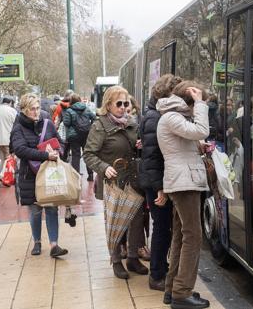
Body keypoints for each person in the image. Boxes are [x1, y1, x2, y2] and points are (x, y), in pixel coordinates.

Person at [83, 86, 148, 279]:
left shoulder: (132, 123)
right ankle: (116, 260)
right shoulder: (100, 125)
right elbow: (88, 154)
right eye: (118, 104)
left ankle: (133, 257)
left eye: (125, 103)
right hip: (113, 182)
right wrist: (103, 168)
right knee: (115, 222)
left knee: (136, 220)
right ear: (109, 105)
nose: (123, 108)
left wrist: (140, 146)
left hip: (133, 180)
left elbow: (136, 148)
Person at [157, 81, 210, 309]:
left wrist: (198, 147)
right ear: (189, 101)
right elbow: (201, 130)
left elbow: (189, 140)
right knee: (193, 236)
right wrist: (200, 104)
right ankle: (182, 293)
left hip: (183, 181)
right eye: (195, 103)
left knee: (181, 235)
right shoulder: (171, 117)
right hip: (184, 183)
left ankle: (173, 289)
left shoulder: (173, 117)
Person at [10, 93, 68, 258]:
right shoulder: (18, 128)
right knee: (35, 211)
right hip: (30, 176)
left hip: (50, 174)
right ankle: (37, 241)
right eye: (32, 109)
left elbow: (60, 142)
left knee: (51, 207)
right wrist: (44, 155)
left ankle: (54, 245)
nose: (36, 112)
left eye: (37, 108)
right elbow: (20, 150)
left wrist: (58, 151)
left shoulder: (47, 124)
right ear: (24, 110)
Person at [139, 74, 182, 291]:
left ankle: (161, 268)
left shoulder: (154, 114)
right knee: (162, 228)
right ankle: (157, 275)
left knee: (163, 228)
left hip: (156, 180)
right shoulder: (156, 117)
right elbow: (153, 156)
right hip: (157, 183)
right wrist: (160, 188)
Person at [63, 93, 95, 182]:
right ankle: (91, 175)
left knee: (75, 155)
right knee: (87, 154)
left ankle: (76, 176)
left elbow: (66, 123)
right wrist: (89, 126)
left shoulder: (69, 111)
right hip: (86, 134)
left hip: (74, 136)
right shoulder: (86, 109)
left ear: (71, 101)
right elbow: (94, 118)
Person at [0, 96, 18, 175]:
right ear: (10, 102)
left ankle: (3, 174)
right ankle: (5, 175)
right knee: (9, 158)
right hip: (10, 139)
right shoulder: (12, 110)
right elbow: (17, 124)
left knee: (2, 158)